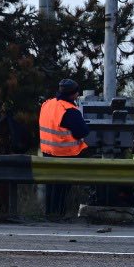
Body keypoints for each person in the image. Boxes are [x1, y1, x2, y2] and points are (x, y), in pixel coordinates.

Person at [38, 78, 89, 219]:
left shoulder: (47, 104)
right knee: (61, 189)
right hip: (64, 154)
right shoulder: (70, 110)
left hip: (48, 152)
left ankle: (49, 214)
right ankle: (57, 216)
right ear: (73, 94)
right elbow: (82, 131)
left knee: (51, 187)